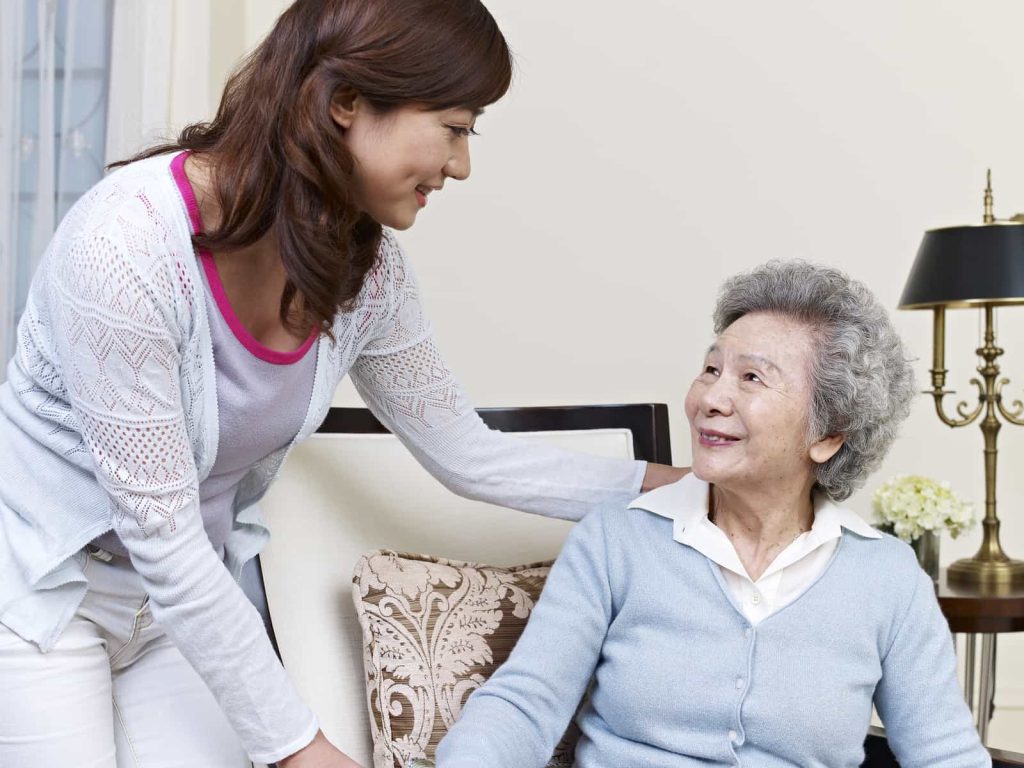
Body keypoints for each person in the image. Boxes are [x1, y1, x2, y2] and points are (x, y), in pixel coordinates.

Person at [0, 1, 686, 766]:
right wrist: (301, 749)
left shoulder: (367, 273)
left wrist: (683, 487)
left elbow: (467, 454)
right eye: (455, 127)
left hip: (173, 612)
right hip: (39, 596)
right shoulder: (124, 251)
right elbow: (165, 541)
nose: (461, 165)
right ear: (344, 104)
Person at [437, 261, 991, 768]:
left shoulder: (887, 578)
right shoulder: (616, 540)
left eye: (751, 378)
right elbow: (524, 706)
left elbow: (944, 751)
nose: (710, 398)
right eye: (710, 369)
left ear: (827, 435)